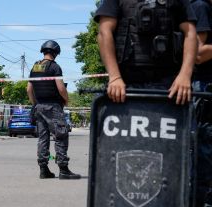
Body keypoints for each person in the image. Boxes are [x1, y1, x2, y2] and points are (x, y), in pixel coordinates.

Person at [94, 0, 197, 104]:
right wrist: (115, 77)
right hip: (124, 83)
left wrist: (185, 76)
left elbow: (190, 33)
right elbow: (104, 32)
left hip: (170, 84)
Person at [27, 40, 81, 179]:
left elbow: (29, 89)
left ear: (43, 51)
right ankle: (63, 169)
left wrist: (35, 104)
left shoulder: (35, 67)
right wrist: (66, 100)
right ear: (56, 53)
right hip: (53, 107)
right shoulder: (55, 67)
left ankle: (43, 170)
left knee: (43, 138)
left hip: (39, 107)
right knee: (61, 136)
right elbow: (61, 88)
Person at [190, 0, 212, 205]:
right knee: (204, 149)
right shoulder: (201, 6)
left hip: (204, 86)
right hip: (203, 87)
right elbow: (198, 53)